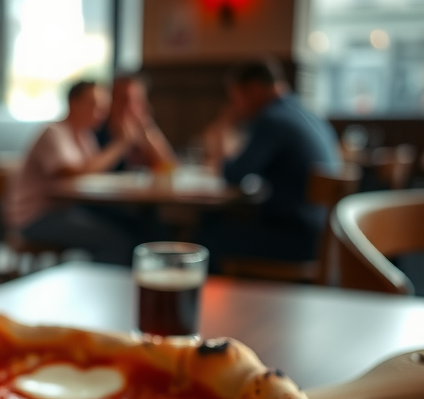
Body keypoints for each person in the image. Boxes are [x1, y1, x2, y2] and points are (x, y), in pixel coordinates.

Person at [200, 58, 341, 267]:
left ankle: (215, 300)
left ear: (254, 90)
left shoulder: (272, 119)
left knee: (207, 236)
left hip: (296, 239)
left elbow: (234, 174)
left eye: (235, 98)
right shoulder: (308, 113)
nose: (236, 106)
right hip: (322, 236)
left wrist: (225, 125)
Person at [5, 79, 143, 265]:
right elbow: (73, 174)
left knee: (131, 224)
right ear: (72, 102)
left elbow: (94, 174)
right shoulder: (54, 132)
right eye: (93, 104)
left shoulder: (85, 136)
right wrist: (120, 144)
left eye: (103, 106)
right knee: (115, 240)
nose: (100, 112)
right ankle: (98, 289)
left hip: (63, 212)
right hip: (35, 217)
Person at [96, 74, 176, 171]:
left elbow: (171, 168)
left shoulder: (145, 129)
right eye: (123, 99)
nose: (129, 106)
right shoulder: (95, 129)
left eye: (137, 100)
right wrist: (123, 143)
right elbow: (87, 171)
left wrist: (148, 131)